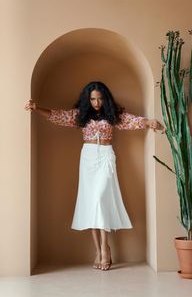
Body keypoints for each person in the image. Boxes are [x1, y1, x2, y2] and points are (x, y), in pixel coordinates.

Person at [24, 81, 165, 271]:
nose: (96, 103)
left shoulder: (112, 115)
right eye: (92, 99)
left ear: (105, 98)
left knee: (101, 199)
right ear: (87, 100)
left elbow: (131, 121)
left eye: (99, 98)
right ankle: (98, 250)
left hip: (106, 156)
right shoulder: (80, 115)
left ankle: (106, 249)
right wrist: (36, 108)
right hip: (88, 158)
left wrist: (148, 122)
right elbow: (58, 116)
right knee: (91, 203)